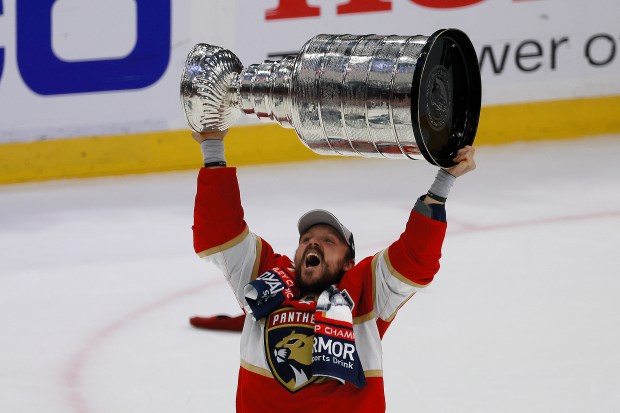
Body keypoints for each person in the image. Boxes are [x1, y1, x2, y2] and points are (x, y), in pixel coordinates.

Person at [190, 129, 476, 412]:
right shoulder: (267, 276)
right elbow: (219, 234)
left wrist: (444, 181)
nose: (313, 242)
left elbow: (415, 259)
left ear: (348, 261)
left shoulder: (365, 290)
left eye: (328, 241)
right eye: (306, 240)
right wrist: (213, 147)